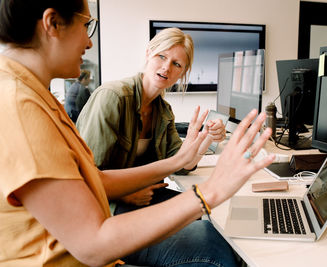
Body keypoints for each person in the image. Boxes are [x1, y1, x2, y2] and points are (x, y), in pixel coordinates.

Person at [0, 0, 275, 266]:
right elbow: (92, 245)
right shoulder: (20, 104)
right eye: (88, 26)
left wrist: (192, 149)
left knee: (214, 228)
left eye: (177, 64)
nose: (89, 42)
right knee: (216, 248)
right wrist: (209, 192)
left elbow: (95, 179)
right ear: (53, 23)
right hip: (93, 242)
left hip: (90, 238)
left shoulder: (35, 95)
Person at [76, 27, 227, 212]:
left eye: (177, 64)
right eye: (161, 57)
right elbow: (85, 175)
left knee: (206, 210)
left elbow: (182, 165)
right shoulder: (113, 97)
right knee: (198, 219)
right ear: (148, 53)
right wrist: (127, 193)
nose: (166, 67)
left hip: (146, 197)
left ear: (183, 72)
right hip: (107, 204)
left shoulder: (164, 111)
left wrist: (206, 137)